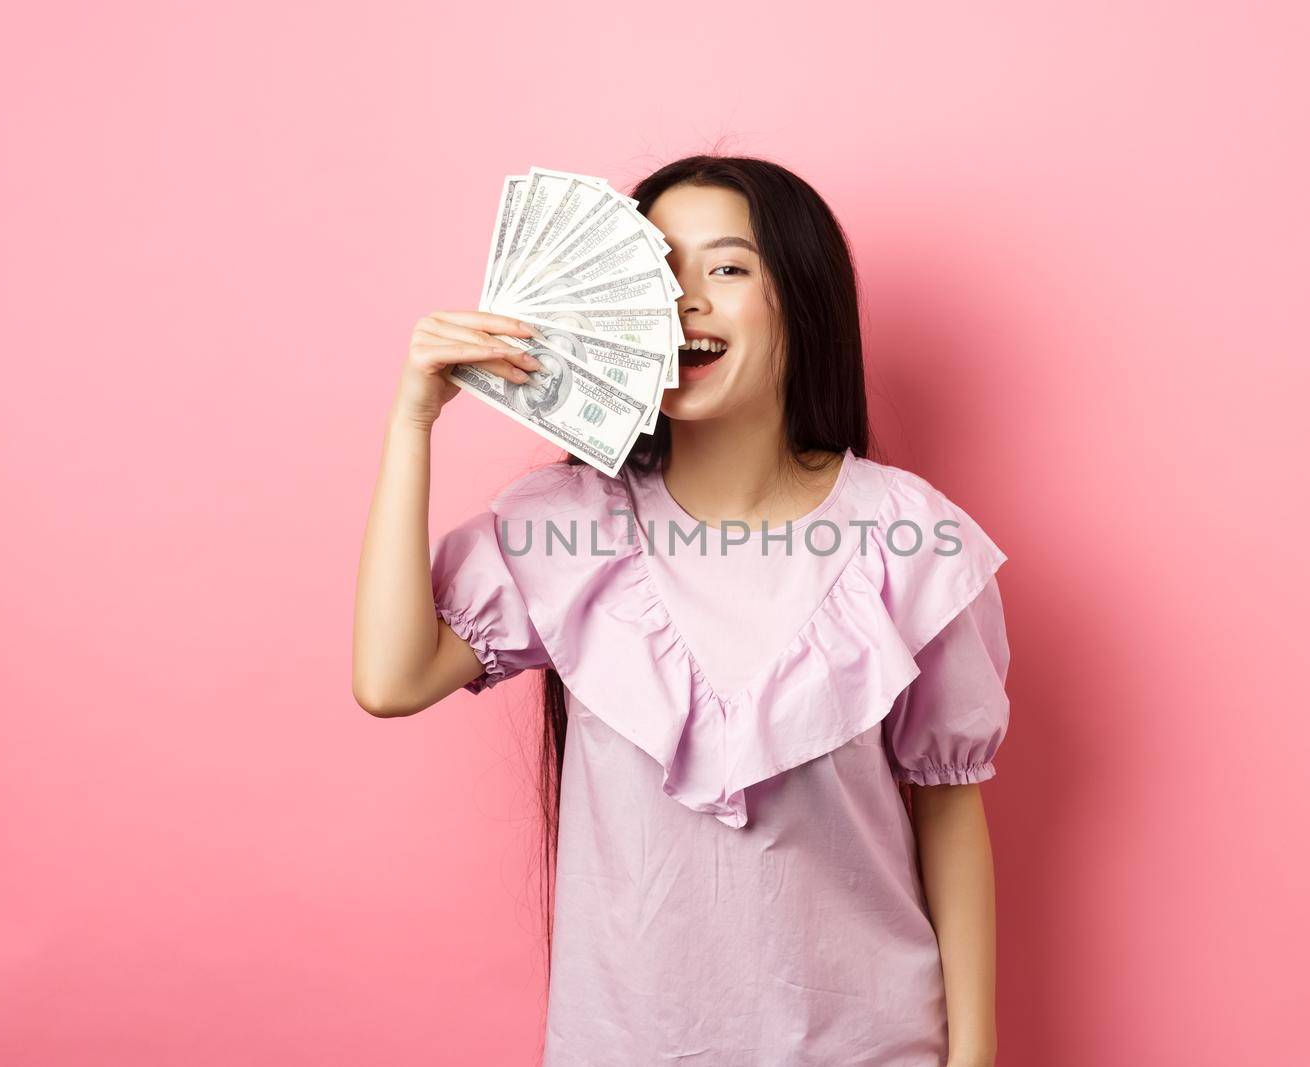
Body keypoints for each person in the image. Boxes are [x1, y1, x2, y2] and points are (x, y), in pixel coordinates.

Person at [352, 155, 1012, 1066]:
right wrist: (412, 421)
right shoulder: (568, 524)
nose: (684, 298)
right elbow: (390, 679)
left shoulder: (911, 537)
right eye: (657, 271)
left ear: (802, 301)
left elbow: (949, 811)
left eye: (728, 268)